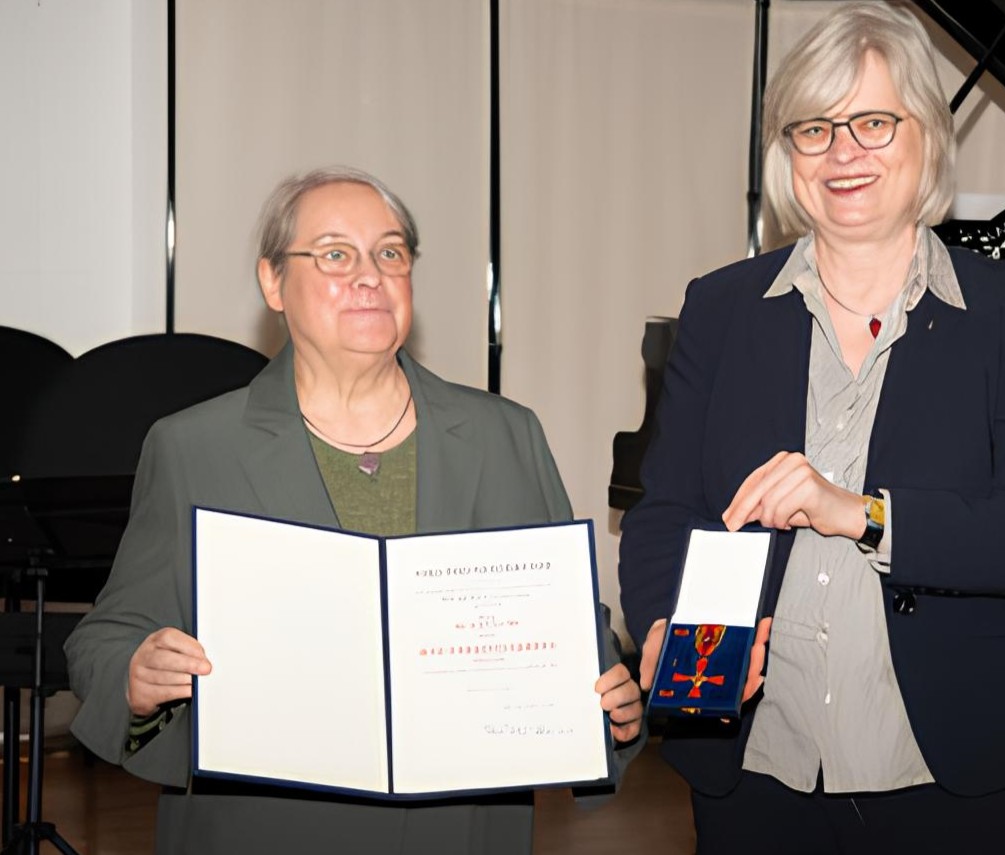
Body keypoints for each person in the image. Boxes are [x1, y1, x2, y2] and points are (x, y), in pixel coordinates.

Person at [618, 4, 1005, 853]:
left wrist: (863, 513)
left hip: (952, 767)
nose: (844, 152)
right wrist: (660, 624)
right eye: (814, 128)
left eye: (873, 122)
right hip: (755, 764)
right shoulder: (721, 308)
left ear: (928, 139)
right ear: (785, 153)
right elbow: (664, 513)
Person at [65, 166, 643, 855]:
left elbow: (575, 637)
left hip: (461, 832)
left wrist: (611, 707)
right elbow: (103, 638)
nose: (370, 275)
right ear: (273, 282)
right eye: (336, 254)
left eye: (391, 253)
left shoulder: (504, 434)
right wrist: (135, 672)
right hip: (262, 832)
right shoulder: (195, 447)